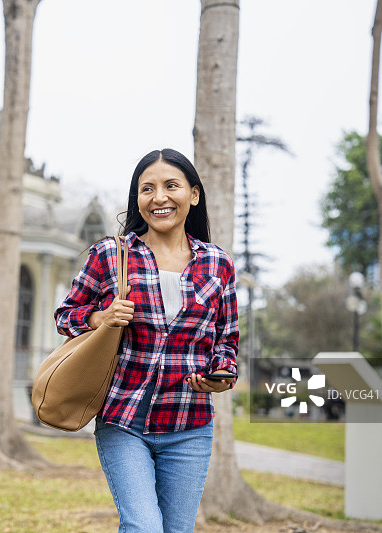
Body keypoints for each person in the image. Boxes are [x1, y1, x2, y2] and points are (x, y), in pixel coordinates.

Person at [54, 148, 239, 533]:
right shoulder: (111, 254)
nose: (158, 198)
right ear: (136, 199)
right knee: (143, 527)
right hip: (124, 420)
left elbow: (227, 338)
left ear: (193, 194)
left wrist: (221, 373)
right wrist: (99, 318)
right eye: (147, 189)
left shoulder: (217, 263)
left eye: (171, 186)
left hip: (189, 424)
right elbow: (65, 315)